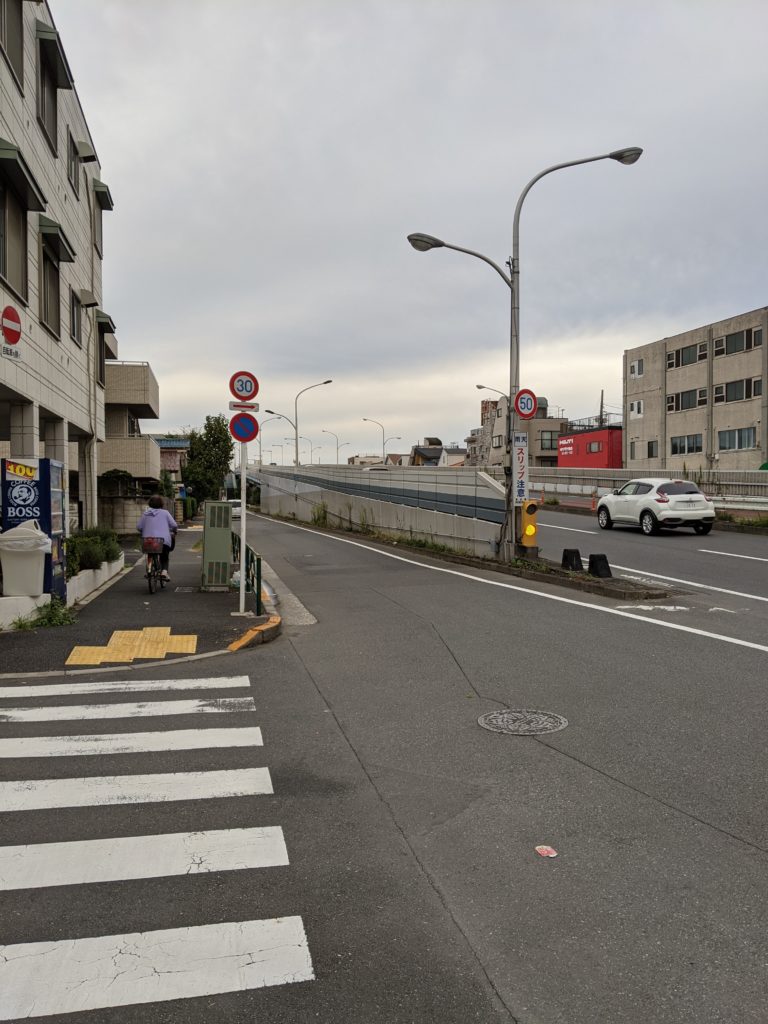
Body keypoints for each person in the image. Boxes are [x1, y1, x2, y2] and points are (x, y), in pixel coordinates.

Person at [137, 495, 178, 580]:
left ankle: (149, 569)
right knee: (164, 556)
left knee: (150, 553)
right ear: (161, 504)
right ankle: (164, 572)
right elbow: (174, 525)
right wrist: (174, 530)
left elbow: (139, 527)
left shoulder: (145, 514)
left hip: (148, 541)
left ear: (150, 504)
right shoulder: (165, 513)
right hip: (162, 541)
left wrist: (144, 530)